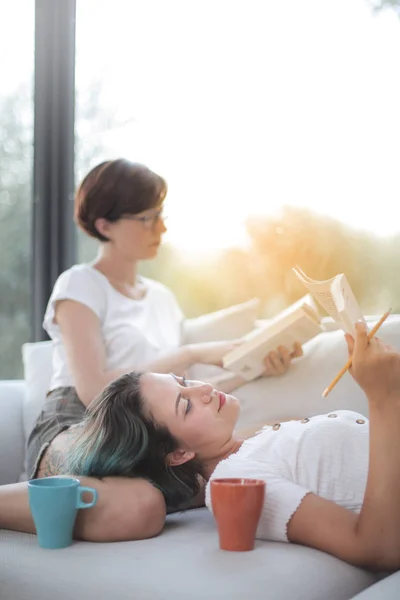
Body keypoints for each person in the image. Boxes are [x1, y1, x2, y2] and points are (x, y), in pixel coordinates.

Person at [21, 158, 301, 537]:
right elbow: (92, 390)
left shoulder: (163, 299)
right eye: (147, 218)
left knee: (270, 439)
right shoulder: (80, 284)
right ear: (105, 225)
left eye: (161, 215)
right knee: (139, 504)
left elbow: (183, 401)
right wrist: (191, 353)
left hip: (156, 434)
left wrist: (254, 368)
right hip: (80, 421)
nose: (162, 227)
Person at [2, 320, 398, 571]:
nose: (206, 388)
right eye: (185, 403)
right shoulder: (240, 479)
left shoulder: (250, 444)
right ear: (178, 454)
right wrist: (384, 399)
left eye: (185, 381)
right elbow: (376, 546)